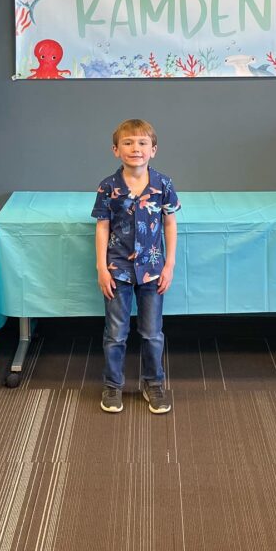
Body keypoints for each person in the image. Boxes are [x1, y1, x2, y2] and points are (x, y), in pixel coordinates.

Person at [91, 118, 180, 415]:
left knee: (152, 332)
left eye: (142, 143)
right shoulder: (108, 187)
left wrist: (169, 265)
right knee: (116, 332)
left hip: (153, 269)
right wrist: (102, 269)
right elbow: (102, 227)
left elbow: (170, 222)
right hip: (117, 270)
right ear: (116, 150)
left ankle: (154, 383)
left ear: (153, 150)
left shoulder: (163, 184)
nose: (135, 148)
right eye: (128, 143)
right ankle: (113, 385)